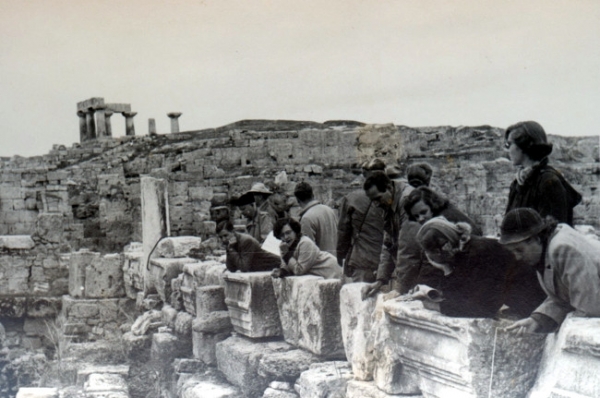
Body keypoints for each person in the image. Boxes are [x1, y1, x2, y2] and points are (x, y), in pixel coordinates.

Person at [500, 208, 600, 333]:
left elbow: (589, 309)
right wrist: (537, 320)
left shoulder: (562, 248)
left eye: (519, 250)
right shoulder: (545, 248)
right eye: (512, 252)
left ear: (536, 238)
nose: (517, 257)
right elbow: (564, 296)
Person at [415, 217, 512, 318]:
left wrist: (436, 306)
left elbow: (480, 307)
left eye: (440, 248)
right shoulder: (462, 250)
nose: (439, 255)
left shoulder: (477, 252)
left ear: (449, 237)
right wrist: (446, 268)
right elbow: (457, 296)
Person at [393, 187, 483, 294]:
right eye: (416, 216)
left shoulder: (441, 222)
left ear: (432, 205)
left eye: (423, 212)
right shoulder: (439, 218)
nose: (420, 219)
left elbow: (435, 259)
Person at [504, 121, 581, 226]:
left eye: (509, 144)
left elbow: (554, 230)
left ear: (524, 145)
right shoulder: (518, 183)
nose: (507, 150)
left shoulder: (549, 182)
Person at [361, 171, 413, 297]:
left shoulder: (407, 200)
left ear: (389, 188)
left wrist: (399, 287)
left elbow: (408, 248)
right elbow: (388, 244)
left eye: (378, 198)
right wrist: (380, 281)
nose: (376, 204)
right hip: (412, 269)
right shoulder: (388, 203)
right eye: (372, 200)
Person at [337, 159, 386, 282]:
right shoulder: (393, 197)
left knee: (360, 298)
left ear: (364, 174)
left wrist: (341, 255)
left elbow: (343, 232)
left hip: (363, 260)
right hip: (388, 261)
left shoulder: (352, 198)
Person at [271, 218, 342, 280]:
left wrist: (287, 254)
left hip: (330, 270)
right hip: (321, 275)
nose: (286, 237)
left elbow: (299, 270)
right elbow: (286, 267)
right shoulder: (284, 247)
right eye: (282, 235)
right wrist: (281, 272)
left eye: (288, 233)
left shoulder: (305, 243)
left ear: (295, 231)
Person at [294, 181, 338, 255]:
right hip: (334, 261)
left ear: (298, 200)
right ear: (313, 195)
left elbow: (308, 251)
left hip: (321, 264)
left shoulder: (306, 218)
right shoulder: (329, 210)